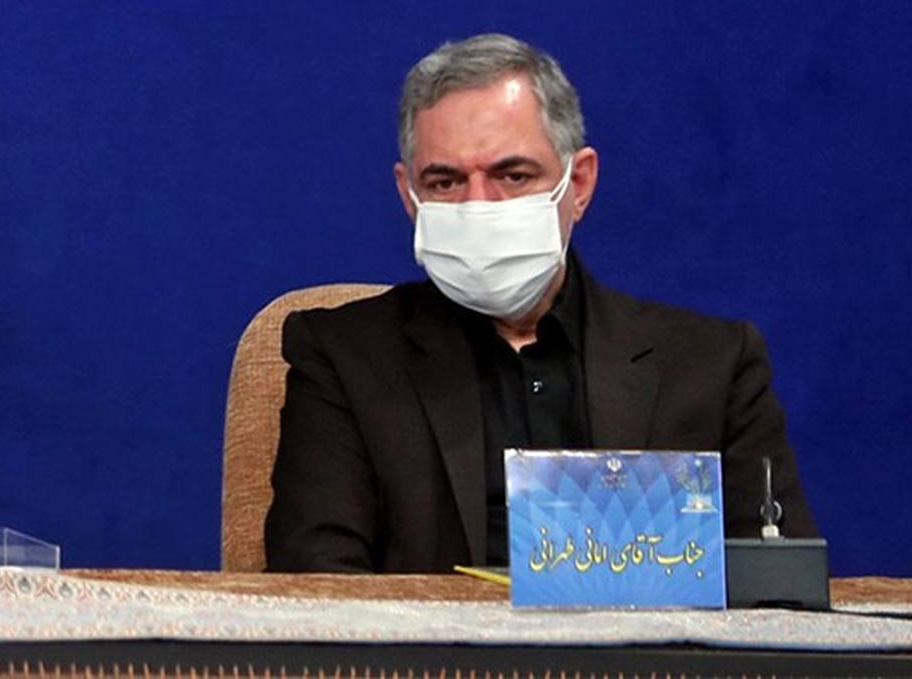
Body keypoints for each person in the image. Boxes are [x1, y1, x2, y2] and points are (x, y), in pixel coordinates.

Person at [265, 33, 818, 573]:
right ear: (409, 196)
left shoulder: (710, 368)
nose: (479, 206)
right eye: (445, 182)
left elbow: (780, 591)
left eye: (512, 175)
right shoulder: (345, 359)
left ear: (579, 183)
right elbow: (317, 587)